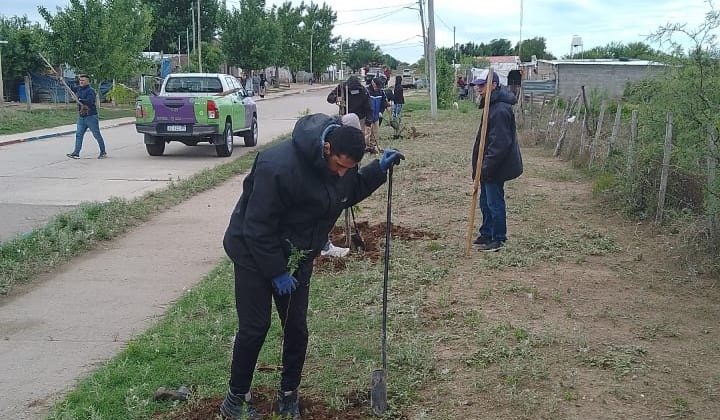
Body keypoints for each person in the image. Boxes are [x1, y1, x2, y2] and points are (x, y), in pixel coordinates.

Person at [220, 112, 405, 420]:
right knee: (255, 328)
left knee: (296, 330)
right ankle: (234, 400)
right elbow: (257, 226)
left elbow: (346, 191)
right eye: (340, 166)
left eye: (351, 168)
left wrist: (377, 171)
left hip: (298, 254)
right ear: (327, 148)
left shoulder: (340, 170)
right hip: (253, 252)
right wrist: (276, 271)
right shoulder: (277, 166)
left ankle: (289, 395)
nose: (343, 173)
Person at [469, 72, 523, 252]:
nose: (479, 89)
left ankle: (498, 238)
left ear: (493, 85)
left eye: (482, 86)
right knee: (485, 201)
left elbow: (499, 145)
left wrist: (485, 169)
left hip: (496, 167)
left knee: (494, 202)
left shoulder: (500, 110)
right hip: (488, 166)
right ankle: (487, 232)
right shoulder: (491, 106)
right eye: (478, 85)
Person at [66, 74, 107, 159]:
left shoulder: (90, 91)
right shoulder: (79, 88)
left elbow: (90, 101)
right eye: (80, 80)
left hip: (91, 117)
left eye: (83, 80)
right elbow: (70, 88)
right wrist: (62, 80)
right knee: (78, 135)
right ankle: (76, 153)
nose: (81, 82)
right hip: (82, 117)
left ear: (88, 81)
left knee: (96, 135)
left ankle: (103, 152)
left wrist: (80, 100)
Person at [365, 77, 389, 154]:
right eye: (376, 86)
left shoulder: (381, 92)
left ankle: (373, 146)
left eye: (379, 87)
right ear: (373, 83)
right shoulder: (366, 91)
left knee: (375, 133)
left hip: (376, 116)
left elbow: (384, 103)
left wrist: (381, 111)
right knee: (367, 134)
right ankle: (366, 148)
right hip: (367, 117)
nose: (377, 88)